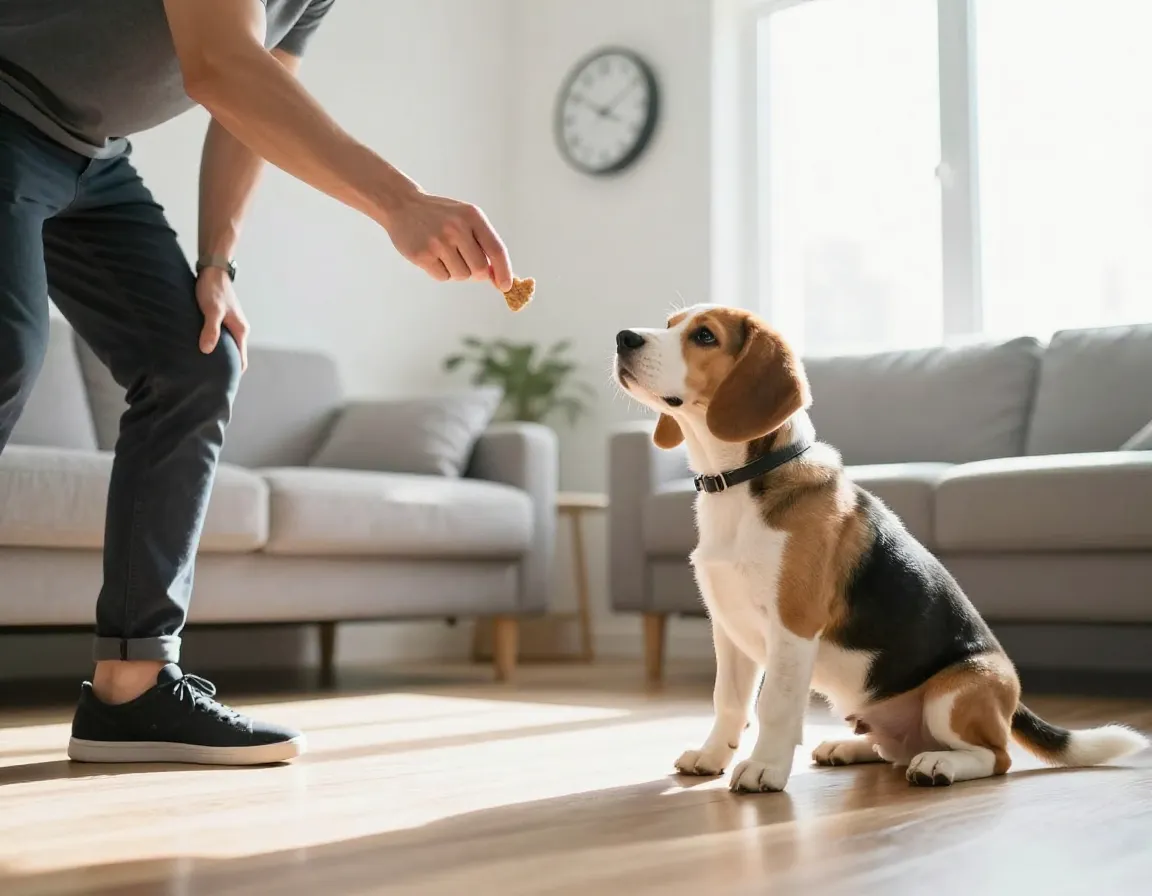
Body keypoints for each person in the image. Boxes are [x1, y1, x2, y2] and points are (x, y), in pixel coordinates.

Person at [0, 0, 515, 766]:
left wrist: (217, 263)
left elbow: (257, 94)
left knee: (196, 359)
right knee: (10, 349)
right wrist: (400, 203)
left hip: (90, 154)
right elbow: (219, 68)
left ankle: (132, 689)